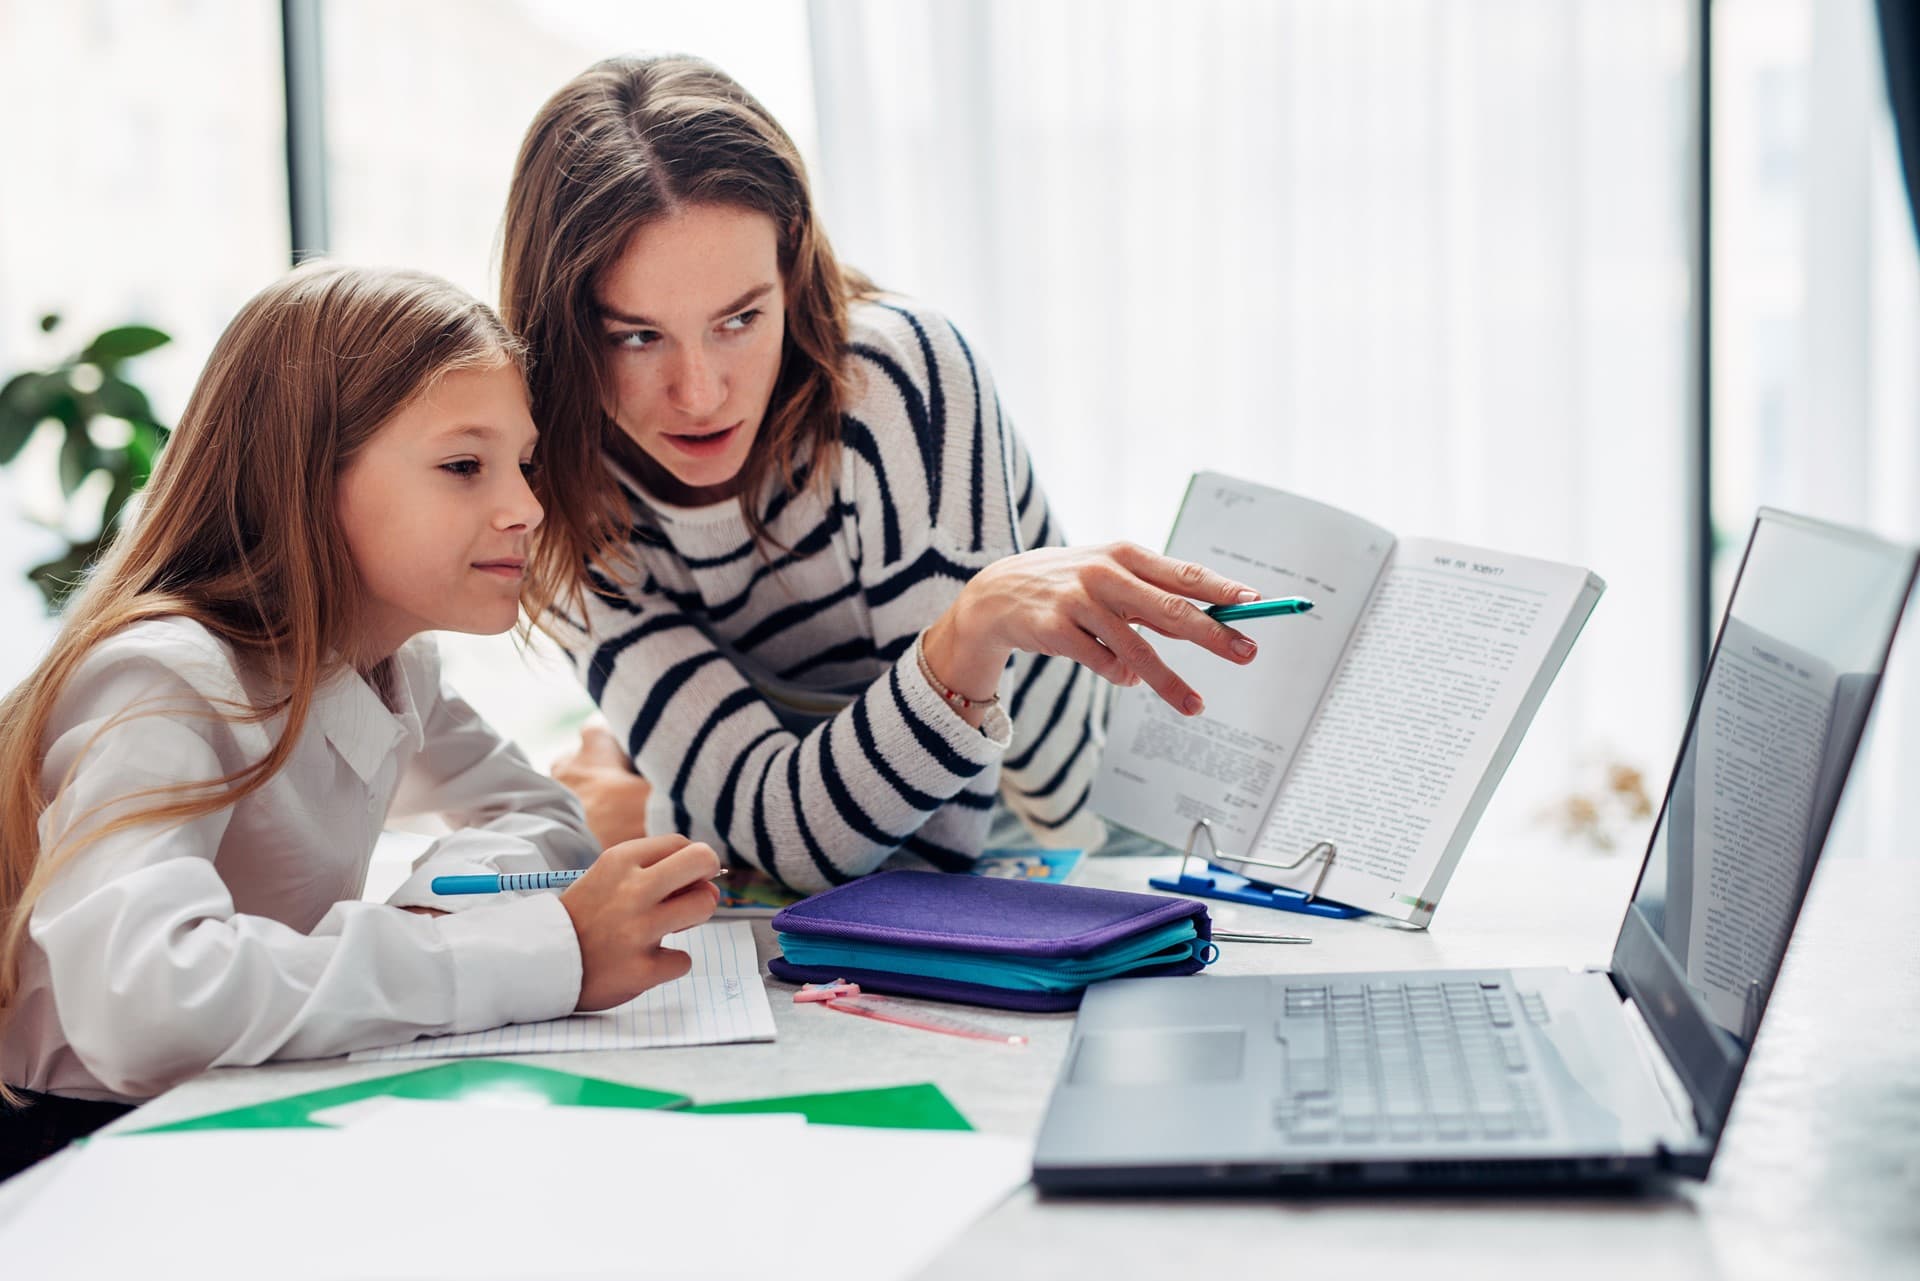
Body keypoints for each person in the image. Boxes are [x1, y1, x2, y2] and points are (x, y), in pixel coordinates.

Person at [0, 263, 721, 1179]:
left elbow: (543, 820)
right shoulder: (168, 677)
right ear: (306, 478)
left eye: (523, 464)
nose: (528, 508)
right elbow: (143, 1005)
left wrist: (439, 910)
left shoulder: (388, 664)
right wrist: (535, 949)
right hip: (68, 1159)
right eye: (465, 466)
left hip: (228, 1122)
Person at [505, 55, 1266, 894]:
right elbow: (802, 842)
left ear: (792, 263)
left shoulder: (898, 378)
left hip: (1101, 857)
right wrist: (730, 815)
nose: (700, 393)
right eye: (637, 337)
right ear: (565, 325)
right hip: (837, 892)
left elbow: (936, 847)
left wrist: (653, 819)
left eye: (740, 319)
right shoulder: (554, 500)